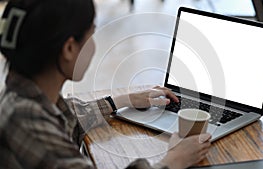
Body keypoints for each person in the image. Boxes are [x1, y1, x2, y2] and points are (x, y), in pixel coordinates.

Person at [0, 0, 211, 169]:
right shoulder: (27, 121)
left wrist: (123, 100)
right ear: (70, 49)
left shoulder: (24, 97)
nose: (94, 43)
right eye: (92, 32)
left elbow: (66, 117)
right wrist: (174, 160)